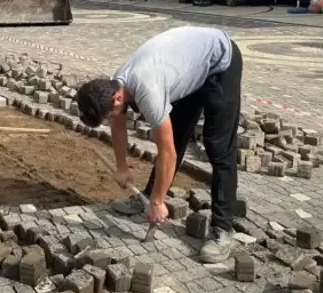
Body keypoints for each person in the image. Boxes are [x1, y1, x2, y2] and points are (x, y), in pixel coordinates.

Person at [75, 26, 242, 264]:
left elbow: (168, 152)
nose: (111, 119)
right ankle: (146, 197)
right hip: (188, 68)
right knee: (176, 133)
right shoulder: (116, 85)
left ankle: (223, 229)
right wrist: (121, 167)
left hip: (220, 63)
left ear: (117, 98)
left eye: (108, 115)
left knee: (218, 146)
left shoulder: (148, 91)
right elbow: (119, 124)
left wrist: (159, 202)